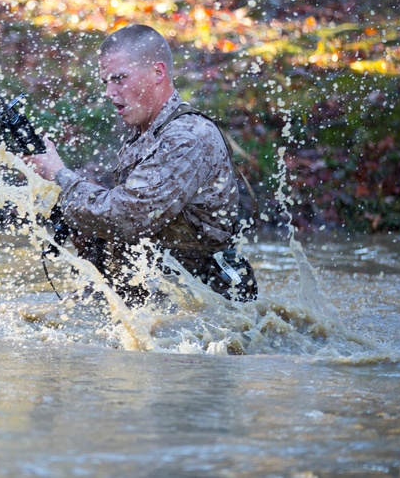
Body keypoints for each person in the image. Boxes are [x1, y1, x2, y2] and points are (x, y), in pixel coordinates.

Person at [27, 24, 257, 305]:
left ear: (158, 73)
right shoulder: (146, 134)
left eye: (119, 79)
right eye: (106, 82)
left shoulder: (188, 137)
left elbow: (127, 217)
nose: (110, 93)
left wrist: (60, 176)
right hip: (156, 299)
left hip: (199, 312)